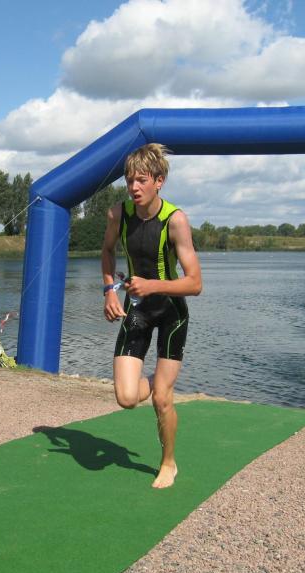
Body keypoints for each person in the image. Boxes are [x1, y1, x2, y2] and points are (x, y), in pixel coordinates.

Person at [101, 143, 202, 489]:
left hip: (171, 312)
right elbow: (107, 250)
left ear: (159, 181)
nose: (134, 187)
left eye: (141, 180)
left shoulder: (175, 220)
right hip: (137, 310)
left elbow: (195, 283)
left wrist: (152, 285)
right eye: (130, 180)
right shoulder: (118, 215)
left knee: (161, 398)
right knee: (127, 398)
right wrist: (109, 290)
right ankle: (158, 382)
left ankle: (168, 462)